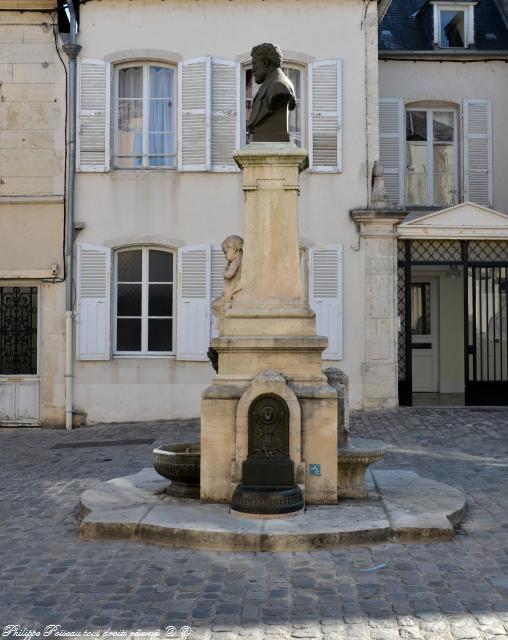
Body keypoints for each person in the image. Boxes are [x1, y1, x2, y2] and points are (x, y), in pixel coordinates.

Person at [247, 43, 296, 142]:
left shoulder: (279, 86)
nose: (253, 69)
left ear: (265, 62)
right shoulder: (271, 84)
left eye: (255, 64)